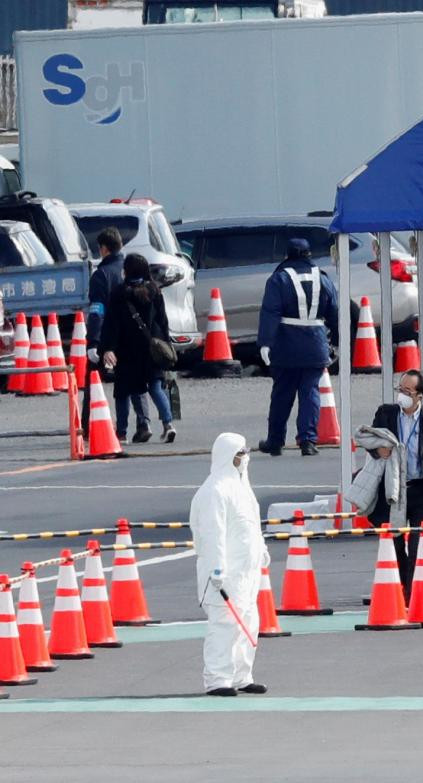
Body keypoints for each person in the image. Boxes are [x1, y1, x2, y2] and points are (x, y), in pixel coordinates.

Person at [189, 432, 268, 697]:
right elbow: (212, 534)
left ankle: (241, 675)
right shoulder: (215, 491)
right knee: (224, 626)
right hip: (225, 575)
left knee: (248, 622)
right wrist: (217, 569)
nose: (244, 458)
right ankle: (217, 679)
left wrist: (262, 551)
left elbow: (252, 527)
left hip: (246, 573)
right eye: (240, 453)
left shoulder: (242, 487)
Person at [367, 369, 423, 598]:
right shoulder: (386, 414)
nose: (401, 395)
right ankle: (403, 582)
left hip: (422, 489)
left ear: (419, 396)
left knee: (418, 543)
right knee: (393, 541)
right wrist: (377, 450)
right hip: (393, 490)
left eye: (407, 391)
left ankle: (412, 594)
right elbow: (370, 440)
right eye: (400, 389)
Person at [257, 238, 339, 457]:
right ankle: (308, 441)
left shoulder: (279, 279)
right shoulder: (323, 278)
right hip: (315, 345)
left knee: (282, 394)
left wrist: (265, 342)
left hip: (286, 346)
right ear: (309, 255)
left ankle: (275, 441)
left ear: (288, 255)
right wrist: (341, 341)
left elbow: (270, 313)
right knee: (310, 392)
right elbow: (334, 312)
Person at [98, 253, 177, 443]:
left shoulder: (119, 293)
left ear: (127, 271)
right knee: (156, 388)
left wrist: (108, 348)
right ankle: (168, 425)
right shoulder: (154, 291)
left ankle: (122, 433)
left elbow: (112, 324)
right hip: (152, 349)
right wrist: (165, 344)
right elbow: (163, 322)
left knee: (123, 392)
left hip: (127, 351)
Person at [83, 227, 148, 438]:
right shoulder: (129, 268)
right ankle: (143, 424)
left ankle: (90, 426)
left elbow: (96, 312)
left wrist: (93, 342)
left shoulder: (101, 275)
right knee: (136, 380)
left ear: (103, 249)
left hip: (108, 339)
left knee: (94, 381)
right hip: (132, 338)